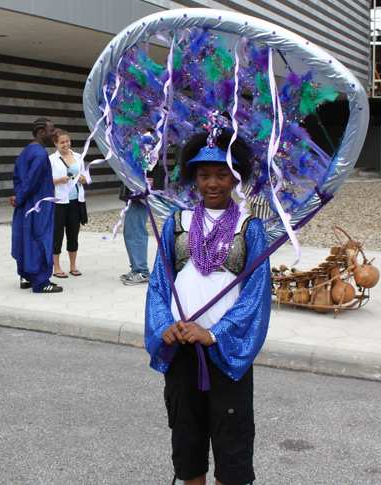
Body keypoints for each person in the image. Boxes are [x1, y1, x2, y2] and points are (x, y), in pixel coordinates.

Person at [145, 130, 271, 485]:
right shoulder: (176, 223)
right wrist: (163, 326)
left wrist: (214, 333)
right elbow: (159, 283)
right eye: (203, 175)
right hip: (182, 346)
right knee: (187, 433)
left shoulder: (250, 229)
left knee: (232, 438)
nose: (212, 183)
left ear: (236, 177)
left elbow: (256, 294)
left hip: (226, 354)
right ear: (193, 177)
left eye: (221, 174)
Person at [9, 118, 63, 293]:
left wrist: (18, 196)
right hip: (38, 206)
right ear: (41, 131)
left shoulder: (25, 152)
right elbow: (33, 181)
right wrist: (20, 197)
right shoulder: (40, 154)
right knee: (41, 239)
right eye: (51, 130)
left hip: (24, 205)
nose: (54, 133)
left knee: (25, 239)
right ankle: (41, 282)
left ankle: (25, 277)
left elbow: (17, 177)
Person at [49, 129, 86, 278]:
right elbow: (44, 181)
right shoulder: (51, 159)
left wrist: (83, 179)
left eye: (67, 141)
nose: (66, 144)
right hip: (59, 201)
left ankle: (73, 266)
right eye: (62, 142)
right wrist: (59, 180)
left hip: (76, 201)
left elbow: (86, 177)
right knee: (57, 234)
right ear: (55, 143)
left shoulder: (78, 156)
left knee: (73, 234)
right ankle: (56, 267)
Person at [119, 184, 150, 286]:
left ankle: (142, 271)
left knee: (136, 231)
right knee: (130, 231)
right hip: (135, 193)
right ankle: (136, 268)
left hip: (140, 193)